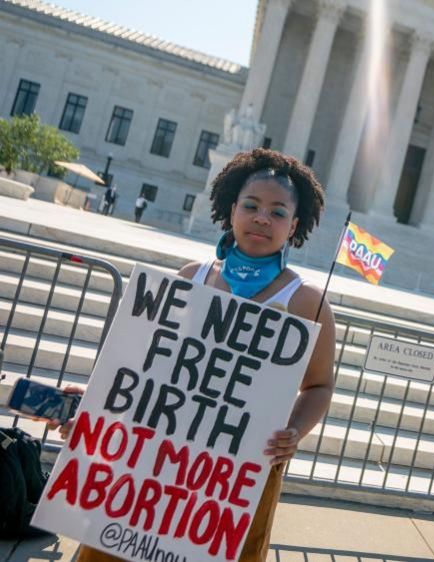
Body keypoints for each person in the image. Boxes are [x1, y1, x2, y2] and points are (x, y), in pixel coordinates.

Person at [50, 148, 337, 562]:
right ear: (231, 209)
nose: (261, 217)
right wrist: (98, 402)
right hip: (155, 454)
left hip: (234, 474)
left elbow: (320, 385)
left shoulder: (308, 302)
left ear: (294, 225)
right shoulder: (191, 277)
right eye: (251, 205)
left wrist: (294, 431)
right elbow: (142, 361)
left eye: (277, 212)